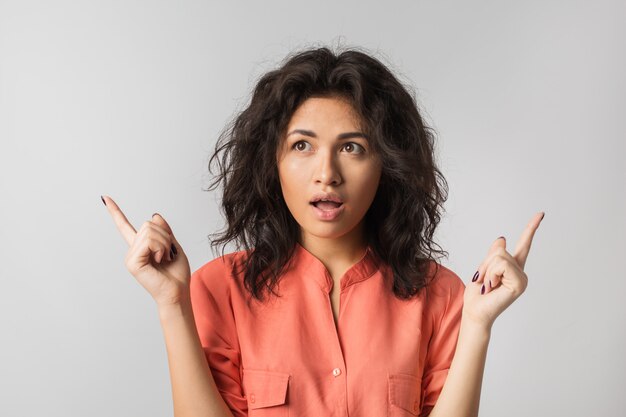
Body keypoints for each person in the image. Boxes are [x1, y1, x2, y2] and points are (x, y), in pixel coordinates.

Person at [102, 46, 544, 417]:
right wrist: (171, 305)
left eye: (351, 147)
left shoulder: (443, 295)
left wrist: (479, 325)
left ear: (387, 164)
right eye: (302, 146)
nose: (326, 173)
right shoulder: (221, 289)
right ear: (270, 162)